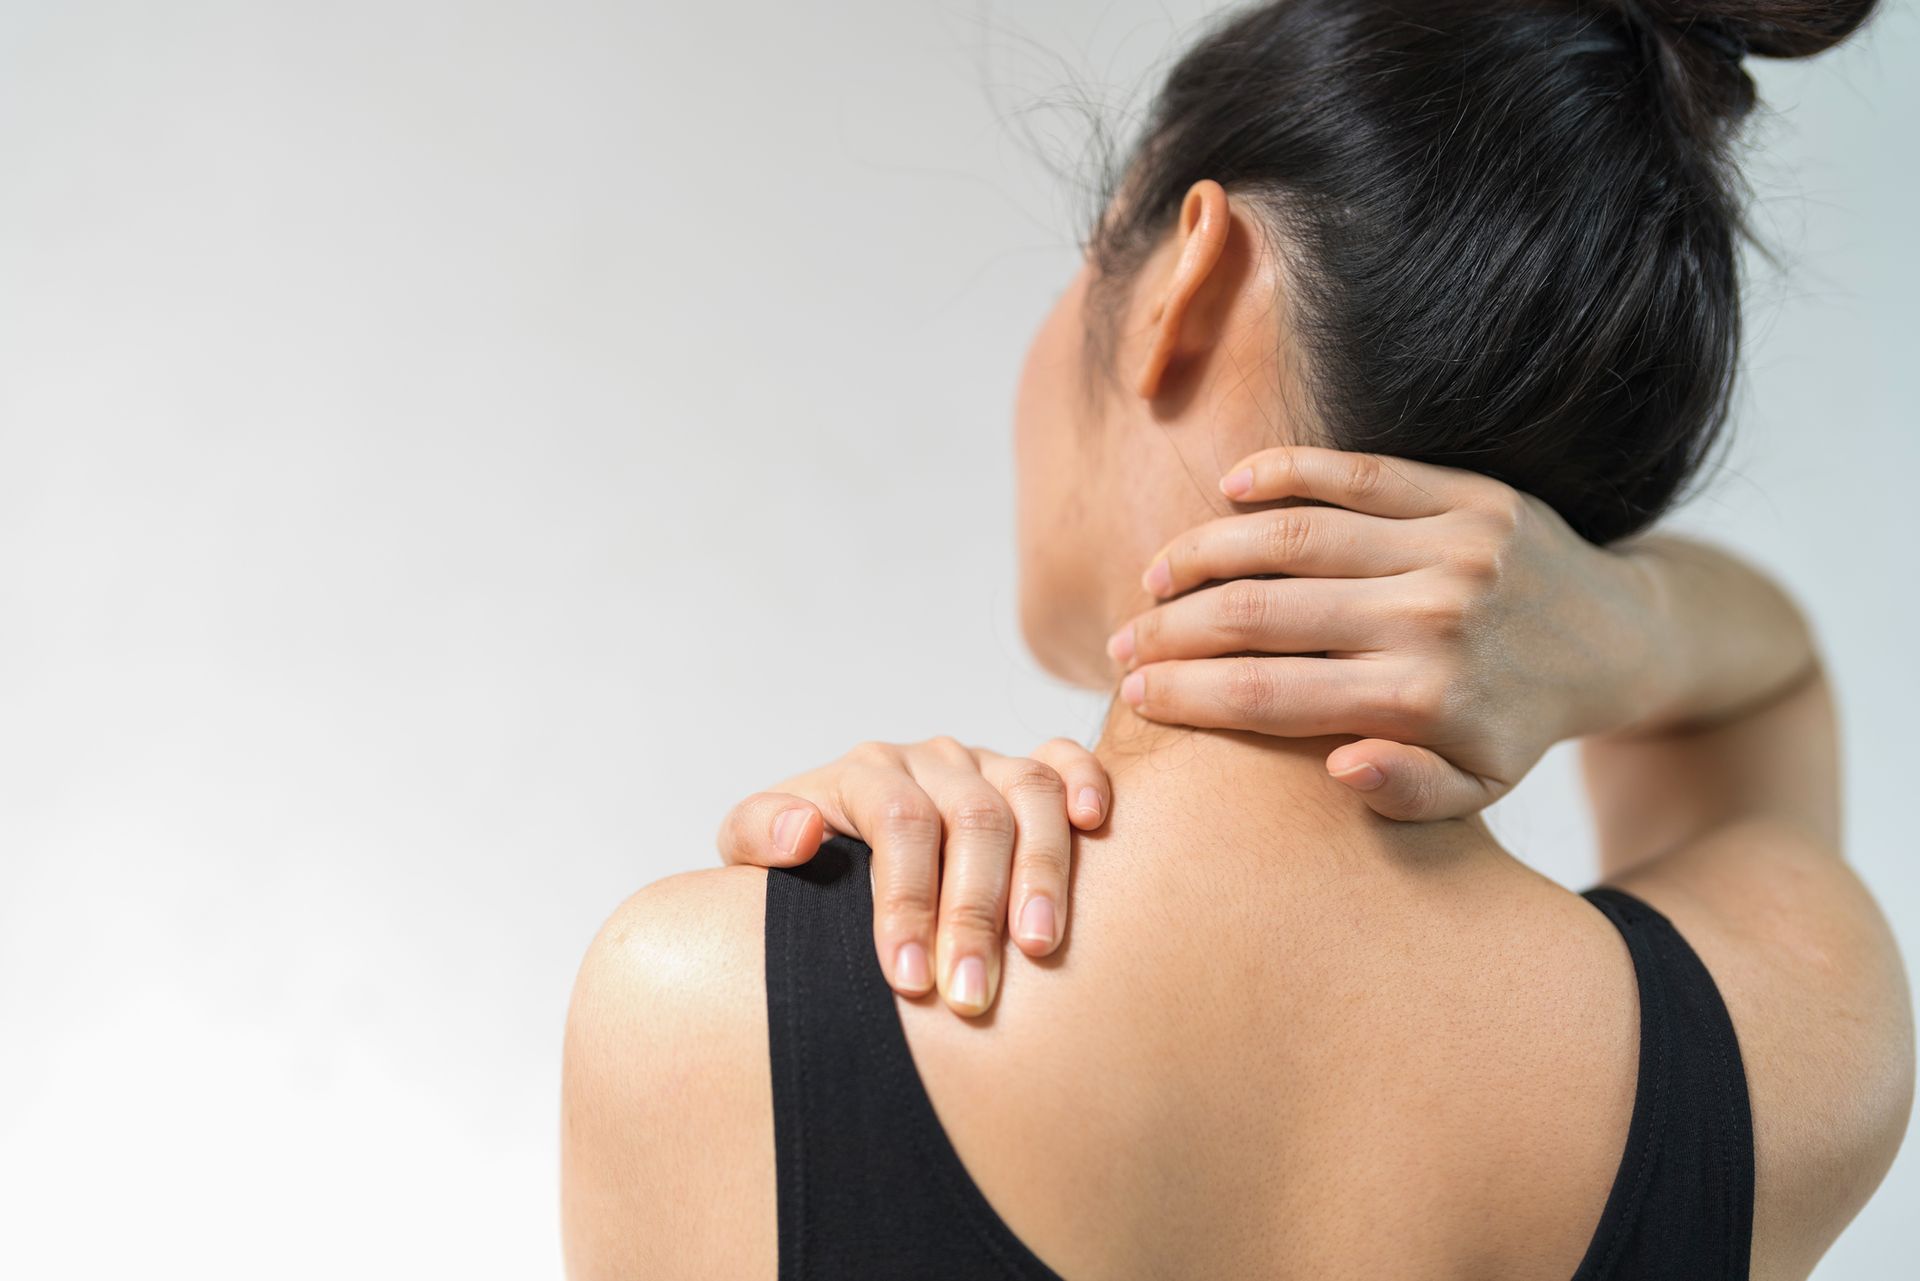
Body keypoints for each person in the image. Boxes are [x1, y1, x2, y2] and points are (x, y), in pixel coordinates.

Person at [561, 1, 1913, 1276]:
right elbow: (1765, 692)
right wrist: (1628, 617)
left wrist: (809, 946)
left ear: (1186, 280)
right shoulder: (1797, 1039)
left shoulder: (707, 1014)